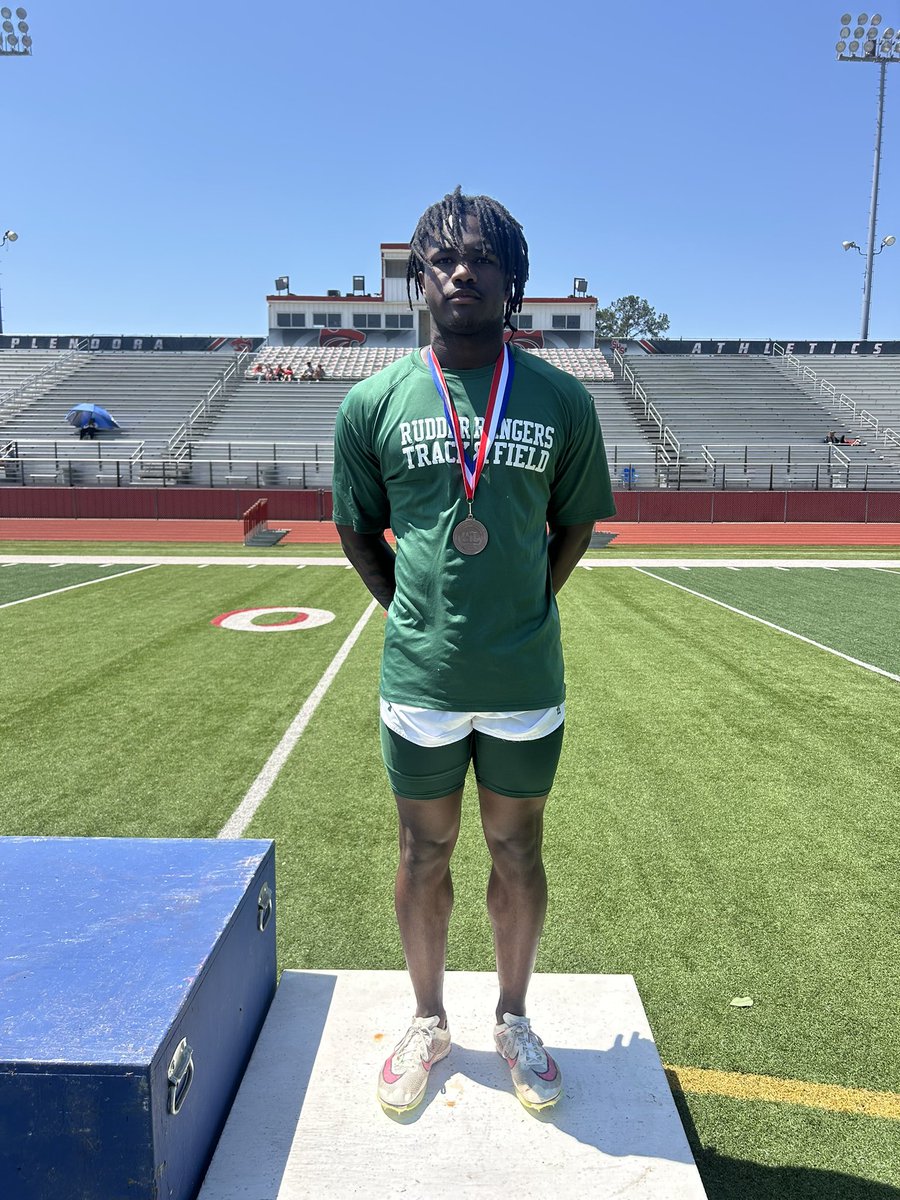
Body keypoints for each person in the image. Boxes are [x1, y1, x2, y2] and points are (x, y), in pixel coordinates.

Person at [333, 187, 615, 1116]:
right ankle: (426, 1019)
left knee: (517, 847)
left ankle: (513, 1017)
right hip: (421, 679)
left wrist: (527, 604)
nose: (463, 271)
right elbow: (357, 530)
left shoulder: (562, 399)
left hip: (524, 676)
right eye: (446, 259)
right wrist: (412, 611)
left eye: (483, 258)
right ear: (420, 277)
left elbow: (575, 526)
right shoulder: (373, 401)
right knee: (424, 849)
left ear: (511, 279)